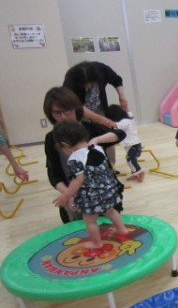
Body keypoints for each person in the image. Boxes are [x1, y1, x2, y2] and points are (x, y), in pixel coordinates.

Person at [43, 86, 125, 223]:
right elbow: (54, 175)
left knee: (109, 223)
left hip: (103, 192)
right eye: (57, 112)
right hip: (74, 194)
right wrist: (69, 194)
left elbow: (120, 134)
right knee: (81, 226)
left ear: (75, 109)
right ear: (51, 114)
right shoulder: (51, 138)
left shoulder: (88, 128)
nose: (63, 116)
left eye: (67, 110)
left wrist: (97, 140)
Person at [52, 121, 128, 251]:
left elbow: (78, 180)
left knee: (90, 220)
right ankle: (122, 229)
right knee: (110, 210)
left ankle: (97, 243)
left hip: (92, 196)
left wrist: (66, 195)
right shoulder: (98, 148)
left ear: (65, 144)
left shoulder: (75, 159)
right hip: (108, 190)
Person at [105, 105, 144, 182]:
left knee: (131, 160)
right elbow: (128, 111)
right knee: (129, 160)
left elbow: (115, 125)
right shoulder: (129, 118)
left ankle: (140, 172)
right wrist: (125, 106)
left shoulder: (124, 122)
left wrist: (105, 121)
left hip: (133, 145)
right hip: (132, 145)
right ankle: (135, 174)